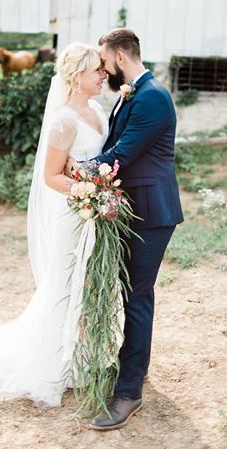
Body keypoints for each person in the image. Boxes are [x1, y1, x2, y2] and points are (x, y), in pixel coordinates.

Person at [0, 43, 108, 407]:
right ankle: (53, 362)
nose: (104, 75)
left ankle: (85, 354)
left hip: (97, 214)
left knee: (90, 281)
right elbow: (51, 176)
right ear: (76, 77)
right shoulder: (63, 121)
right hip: (74, 214)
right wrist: (89, 194)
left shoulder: (99, 111)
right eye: (97, 71)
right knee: (65, 282)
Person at [79, 28, 184, 431]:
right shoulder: (136, 94)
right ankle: (134, 369)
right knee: (132, 292)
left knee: (137, 296)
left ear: (121, 58)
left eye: (105, 63)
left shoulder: (153, 97)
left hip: (152, 213)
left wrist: (76, 172)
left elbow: (122, 154)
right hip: (132, 209)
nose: (105, 71)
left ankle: (128, 393)